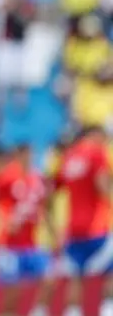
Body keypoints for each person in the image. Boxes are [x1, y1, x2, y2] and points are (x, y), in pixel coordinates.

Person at [54, 126, 113, 316]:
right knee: (107, 277)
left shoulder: (69, 156)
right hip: (96, 228)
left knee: (75, 280)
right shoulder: (96, 153)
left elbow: (56, 187)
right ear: (94, 135)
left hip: (73, 230)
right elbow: (102, 186)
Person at [0, 144, 56, 316]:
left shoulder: (37, 178)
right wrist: (2, 223)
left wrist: (53, 233)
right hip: (9, 244)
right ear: (17, 154)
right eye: (26, 154)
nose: (29, 157)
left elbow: (43, 208)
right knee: (13, 294)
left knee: (50, 278)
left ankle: (38, 312)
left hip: (31, 243)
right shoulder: (6, 176)